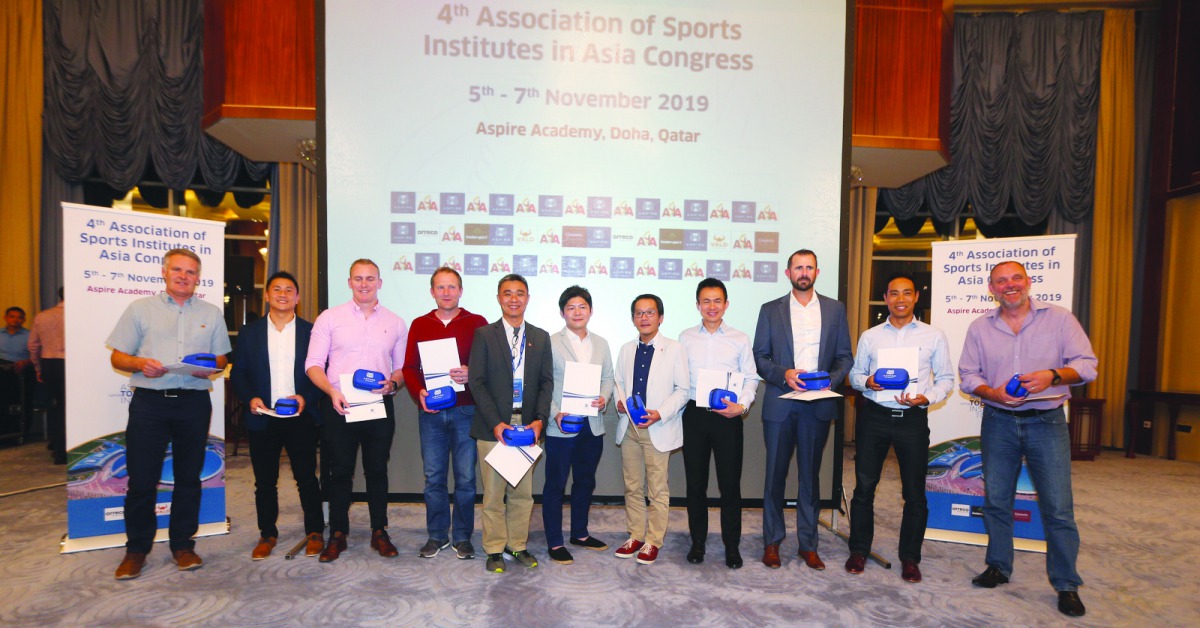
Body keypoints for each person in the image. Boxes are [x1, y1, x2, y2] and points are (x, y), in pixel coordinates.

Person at [959, 260, 1097, 618]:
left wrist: (1053, 375)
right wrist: (994, 393)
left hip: (1046, 422)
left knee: (1058, 508)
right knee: (997, 501)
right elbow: (968, 376)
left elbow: (1086, 365)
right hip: (998, 421)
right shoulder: (979, 328)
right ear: (991, 288)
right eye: (1000, 281)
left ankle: (1066, 583)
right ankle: (999, 566)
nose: (1009, 285)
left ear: (1028, 281)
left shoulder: (1060, 319)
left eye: (1015, 278)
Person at [106, 249, 231, 579]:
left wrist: (211, 369)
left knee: (188, 477)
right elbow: (118, 357)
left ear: (197, 278)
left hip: (193, 402)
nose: (183, 276)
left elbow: (220, 360)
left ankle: (183, 545)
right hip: (150, 403)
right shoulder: (140, 309)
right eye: (177, 270)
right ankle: (136, 550)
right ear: (164, 272)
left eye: (190, 272)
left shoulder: (211, 312)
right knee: (143, 478)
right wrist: (139, 363)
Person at [845, 273, 954, 583]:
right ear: (886, 297)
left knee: (914, 493)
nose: (901, 299)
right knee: (864, 488)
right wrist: (867, 381)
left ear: (916, 297)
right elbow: (855, 376)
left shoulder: (934, 336)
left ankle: (910, 557)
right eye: (894, 293)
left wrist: (927, 397)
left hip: (913, 420)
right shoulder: (870, 336)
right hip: (875, 417)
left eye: (907, 293)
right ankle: (859, 550)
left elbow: (946, 378)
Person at [753, 249, 852, 570]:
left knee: (810, 478)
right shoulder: (770, 310)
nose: (804, 272)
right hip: (781, 405)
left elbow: (844, 357)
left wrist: (829, 381)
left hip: (817, 405)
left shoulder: (835, 310)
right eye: (798, 267)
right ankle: (772, 542)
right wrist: (785, 374)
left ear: (817, 272)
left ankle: (808, 545)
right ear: (788, 273)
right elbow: (761, 357)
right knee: (775, 478)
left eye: (809, 267)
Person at [304, 259, 408, 562]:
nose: (364, 284)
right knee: (339, 472)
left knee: (377, 469)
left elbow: (401, 368)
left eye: (370, 279)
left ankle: (379, 531)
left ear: (379, 283)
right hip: (339, 403)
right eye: (358, 279)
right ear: (349, 282)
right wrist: (331, 391)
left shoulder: (396, 322)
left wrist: (393, 383)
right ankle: (337, 533)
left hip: (378, 405)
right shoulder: (329, 318)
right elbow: (312, 364)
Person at [230, 271, 325, 560]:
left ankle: (315, 532)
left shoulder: (312, 332)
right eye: (277, 289)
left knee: (307, 477)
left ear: (297, 298)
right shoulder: (250, 332)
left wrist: (305, 399)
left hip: (300, 417)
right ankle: (267, 534)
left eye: (289, 290)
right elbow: (239, 373)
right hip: (264, 416)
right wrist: (250, 398)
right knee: (264, 481)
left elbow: (322, 373)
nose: (283, 294)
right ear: (268, 295)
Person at [467, 273, 554, 573]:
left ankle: (516, 546)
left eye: (520, 293)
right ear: (499, 298)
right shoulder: (484, 335)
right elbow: (476, 383)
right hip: (495, 428)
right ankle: (493, 549)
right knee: (493, 494)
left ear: (528, 298)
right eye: (507, 293)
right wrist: (495, 423)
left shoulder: (541, 337)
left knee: (522, 493)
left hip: (527, 428)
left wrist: (540, 421)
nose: (514, 298)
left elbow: (546, 383)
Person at [401, 267, 487, 560]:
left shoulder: (477, 323)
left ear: (461, 291)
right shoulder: (420, 324)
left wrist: (470, 372)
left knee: (465, 478)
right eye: (441, 287)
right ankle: (436, 535)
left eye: (452, 287)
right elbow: (410, 368)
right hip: (432, 412)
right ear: (432, 291)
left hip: (466, 410)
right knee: (433, 477)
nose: (447, 292)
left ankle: (462, 537)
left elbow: (489, 367)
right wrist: (419, 393)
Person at [678, 278, 760, 569]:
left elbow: (751, 377)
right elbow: (677, 378)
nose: (711, 307)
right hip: (695, 416)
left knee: (730, 486)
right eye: (706, 301)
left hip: (728, 418)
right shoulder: (685, 337)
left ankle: (732, 546)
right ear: (697, 305)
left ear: (726, 304)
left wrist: (743, 405)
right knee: (695, 484)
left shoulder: (739, 338)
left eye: (717, 301)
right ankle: (697, 542)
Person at [612, 294, 689, 565]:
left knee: (657, 489)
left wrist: (660, 413)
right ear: (633, 318)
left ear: (661, 317)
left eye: (650, 313)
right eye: (639, 313)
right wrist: (618, 401)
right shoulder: (625, 349)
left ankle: (653, 540)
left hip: (658, 427)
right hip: (630, 428)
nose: (644, 318)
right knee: (632, 487)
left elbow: (683, 390)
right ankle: (635, 534)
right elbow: (618, 382)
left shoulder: (675, 348)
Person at [542, 285, 615, 565]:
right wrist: (554, 413)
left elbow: (607, 378)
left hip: (591, 425)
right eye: (571, 308)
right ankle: (555, 541)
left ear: (591, 311)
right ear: (562, 313)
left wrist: (603, 397)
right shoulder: (550, 342)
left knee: (585, 481)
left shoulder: (601, 343)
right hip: (561, 425)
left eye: (582, 307)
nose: (577, 312)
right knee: (556, 484)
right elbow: (543, 384)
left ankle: (580, 534)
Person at [28, 290, 66, 464]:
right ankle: (62, 450)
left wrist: (38, 367)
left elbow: (33, 345)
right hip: (70, 364)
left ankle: (56, 444)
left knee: (56, 405)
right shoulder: (79, 315)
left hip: (49, 363)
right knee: (68, 408)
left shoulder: (43, 316)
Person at [1, 306, 34, 437]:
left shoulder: (29, 335)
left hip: (21, 371)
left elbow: (37, 355)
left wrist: (25, 362)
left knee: (23, 401)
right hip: (2, 371)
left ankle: (21, 432)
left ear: (24, 320)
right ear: (5, 318)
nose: (16, 320)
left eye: (19, 317)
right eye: (12, 316)